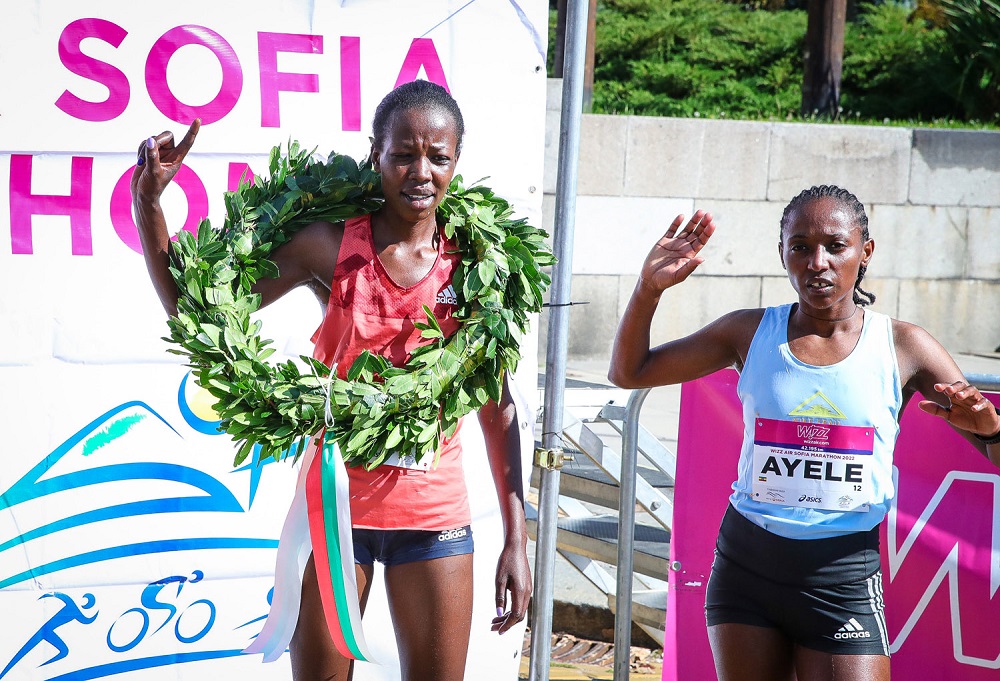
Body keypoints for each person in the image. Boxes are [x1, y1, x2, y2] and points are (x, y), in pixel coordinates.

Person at [131, 80, 532, 681]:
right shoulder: (330, 245)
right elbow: (196, 312)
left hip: (434, 519)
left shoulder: (477, 266)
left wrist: (517, 538)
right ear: (376, 154)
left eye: (438, 157)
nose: (421, 172)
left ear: (457, 160)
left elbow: (495, 406)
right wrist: (150, 207)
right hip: (335, 511)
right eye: (403, 155)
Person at [608, 185, 1000, 681]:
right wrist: (649, 289)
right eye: (800, 247)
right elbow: (630, 372)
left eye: (836, 246)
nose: (818, 263)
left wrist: (991, 430)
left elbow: (992, 442)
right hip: (747, 569)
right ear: (782, 254)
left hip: (843, 577)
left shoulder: (904, 346)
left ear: (865, 252)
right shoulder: (748, 332)